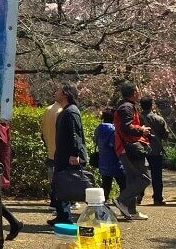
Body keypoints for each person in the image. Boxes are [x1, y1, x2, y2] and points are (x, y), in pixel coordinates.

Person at [112, 82, 152, 221]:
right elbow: (126, 127)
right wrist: (142, 129)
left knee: (132, 179)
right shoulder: (126, 107)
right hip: (129, 147)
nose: (139, 92)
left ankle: (132, 210)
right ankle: (121, 200)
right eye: (138, 90)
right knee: (144, 179)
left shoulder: (125, 106)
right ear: (134, 92)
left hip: (126, 147)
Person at [50, 83, 88, 225]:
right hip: (62, 156)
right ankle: (61, 216)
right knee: (59, 186)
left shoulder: (71, 111)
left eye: (58, 90)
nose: (56, 92)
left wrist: (74, 153)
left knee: (67, 186)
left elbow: (75, 134)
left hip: (69, 158)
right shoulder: (66, 110)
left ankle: (65, 218)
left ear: (66, 93)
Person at [139, 97, 169, 206]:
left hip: (140, 149)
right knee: (157, 176)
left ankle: (138, 196)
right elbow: (165, 135)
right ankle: (157, 198)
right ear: (152, 105)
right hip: (155, 150)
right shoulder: (159, 119)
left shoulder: (137, 118)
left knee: (141, 174)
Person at [94, 108, 126, 202]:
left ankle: (102, 206)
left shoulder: (99, 128)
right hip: (115, 161)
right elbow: (115, 144)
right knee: (124, 185)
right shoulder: (113, 129)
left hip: (103, 160)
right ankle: (123, 202)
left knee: (106, 186)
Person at [41, 99, 62, 221]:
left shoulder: (48, 110)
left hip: (50, 148)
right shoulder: (62, 111)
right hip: (60, 150)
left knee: (53, 176)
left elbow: (42, 130)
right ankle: (58, 200)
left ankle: (53, 200)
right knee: (61, 177)